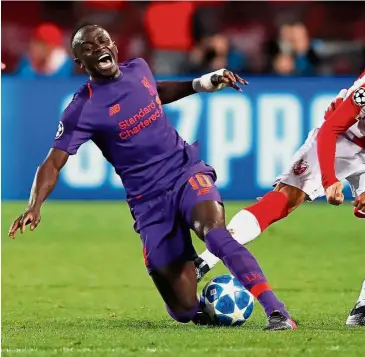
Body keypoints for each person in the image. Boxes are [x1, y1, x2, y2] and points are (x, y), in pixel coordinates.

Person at [8, 24, 296, 331]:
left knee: (213, 231)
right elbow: (52, 163)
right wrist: (34, 204)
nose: (99, 48)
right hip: (148, 202)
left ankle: (277, 312)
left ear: (114, 45)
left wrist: (202, 83)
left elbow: (156, 91)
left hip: (185, 170)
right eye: (88, 48)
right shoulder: (83, 109)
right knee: (183, 308)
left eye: (103, 40)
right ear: (80, 62)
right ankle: (204, 306)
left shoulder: (139, 69)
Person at [195, 48, 365, 328]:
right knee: (283, 201)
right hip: (344, 139)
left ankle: (362, 310)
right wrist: (329, 179)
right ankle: (202, 263)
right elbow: (332, 128)